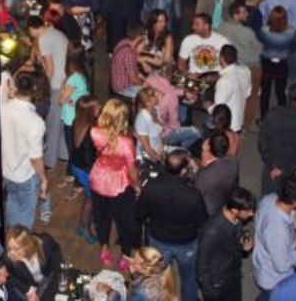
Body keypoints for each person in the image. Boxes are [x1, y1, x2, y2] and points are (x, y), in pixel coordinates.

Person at [137, 149, 208, 301]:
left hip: (158, 240)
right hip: (187, 243)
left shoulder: (151, 187)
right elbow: (202, 222)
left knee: (158, 279)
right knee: (189, 279)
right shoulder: (193, 195)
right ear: (183, 171)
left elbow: (140, 214)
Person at [90, 98, 140, 269]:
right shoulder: (126, 142)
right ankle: (126, 255)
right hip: (119, 183)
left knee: (101, 217)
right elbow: (132, 170)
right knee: (125, 221)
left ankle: (104, 247)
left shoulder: (95, 132)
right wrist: (137, 186)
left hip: (98, 179)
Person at [252, 174, 296, 299]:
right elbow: (282, 266)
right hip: (273, 279)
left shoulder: (269, 198)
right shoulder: (278, 231)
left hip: (262, 261)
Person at [1, 71, 48, 229]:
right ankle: (21, 246)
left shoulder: (3, 109)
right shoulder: (36, 122)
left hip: (7, 171)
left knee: (12, 206)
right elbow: (35, 158)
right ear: (34, 90)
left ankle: (12, 243)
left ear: (15, 87)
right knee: (25, 220)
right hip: (25, 176)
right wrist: (43, 178)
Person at [197, 186, 257, 301]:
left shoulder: (236, 219)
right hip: (218, 282)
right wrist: (210, 292)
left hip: (233, 274)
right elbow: (201, 266)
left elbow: (234, 238)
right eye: (248, 211)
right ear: (234, 210)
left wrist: (242, 245)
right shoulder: (212, 231)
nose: (252, 214)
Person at [27, 15, 69, 169]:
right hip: (65, 80)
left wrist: (44, 87)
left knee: (52, 123)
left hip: (56, 84)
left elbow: (50, 68)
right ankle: (63, 154)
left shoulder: (44, 39)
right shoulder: (56, 33)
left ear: (32, 29)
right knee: (61, 120)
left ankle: (49, 161)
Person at [258, 83, 296, 195]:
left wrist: (271, 163)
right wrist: (284, 168)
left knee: (266, 197)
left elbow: (262, 140)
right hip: (290, 170)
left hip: (270, 165)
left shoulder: (273, 113)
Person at [3, 225, 63, 301]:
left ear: (28, 245)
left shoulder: (45, 241)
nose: (11, 253)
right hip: (28, 286)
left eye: (16, 249)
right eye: (9, 248)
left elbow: (56, 256)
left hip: (48, 278)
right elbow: (8, 277)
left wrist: (60, 275)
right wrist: (28, 291)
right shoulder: (7, 258)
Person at [259, 6, 296, 119]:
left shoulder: (264, 31)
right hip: (282, 63)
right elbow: (293, 49)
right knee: (280, 91)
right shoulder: (291, 33)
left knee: (265, 91)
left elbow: (261, 44)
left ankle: (263, 117)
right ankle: (283, 116)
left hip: (267, 63)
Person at [71, 97, 101, 245]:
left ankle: (84, 226)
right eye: (97, 107)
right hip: (86, 169)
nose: (100, 108)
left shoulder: (77, 122)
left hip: (77, 166)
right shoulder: (91, 131)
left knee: (89, 199)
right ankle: (84, 228)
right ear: (90, 112)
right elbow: (89, 157)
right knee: (91, 200)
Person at [195, 132, 241, 216]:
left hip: (209, 211)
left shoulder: (204, 176)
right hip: (223, 202)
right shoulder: (233, 162)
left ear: (209, 150)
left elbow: (196, 195)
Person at [212, 45, 252, 134]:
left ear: (221, 58)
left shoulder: (224, 81)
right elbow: (248, 93)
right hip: (239, 121)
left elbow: (218, 109)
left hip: (226, 125)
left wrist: (207, 105)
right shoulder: (246, 70)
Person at [59, 51, 90, 166]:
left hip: (71, 117)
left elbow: (61, 100)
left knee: (72, 147)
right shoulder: (83, 74)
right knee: (78, 145)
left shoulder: (73, 79)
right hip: (79, 115)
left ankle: (73, 171)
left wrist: (62, 87)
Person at [111, 21, 146, 98]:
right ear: (140, 36)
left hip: (116, 85)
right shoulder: (129, 53)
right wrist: (145, 84)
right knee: (151, 95)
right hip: (124, 89)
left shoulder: (122, 42)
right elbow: (134, 79)